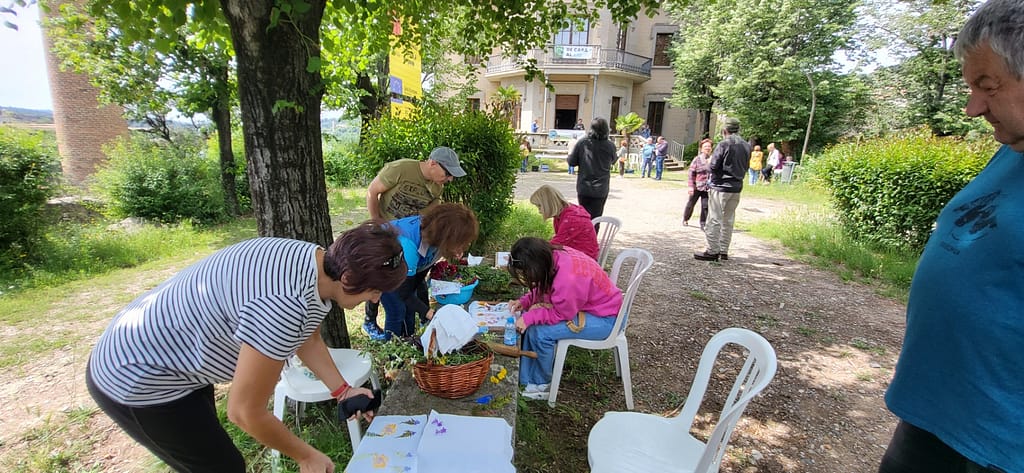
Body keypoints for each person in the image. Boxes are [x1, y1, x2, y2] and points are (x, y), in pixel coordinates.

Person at [86, 223, 407, 473]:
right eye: (375, 290)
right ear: (349, 276)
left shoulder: (318, 262)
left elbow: (307, 338)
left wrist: (342, 391)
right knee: (221, 467)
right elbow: (243, 412)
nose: (377, 299)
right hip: (135, 375)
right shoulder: (282, 307)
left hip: (178, 361)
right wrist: (305, 455)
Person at [879, 2, 1024, 472]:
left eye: (987, 85)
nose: (973, 107)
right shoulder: (1013, 149)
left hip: (999, 446)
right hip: (936, 417)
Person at [362, 146, 467, 340]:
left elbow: (434, 220)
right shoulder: (400, 169)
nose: (450, 179)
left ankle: (408, 336)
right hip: (391, 240)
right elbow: (372, 191)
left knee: (411, 291)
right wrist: (377, 222)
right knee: (391, 296)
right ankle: (373, 324)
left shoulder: (437, 186)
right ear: (433, 163)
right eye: (448, 173)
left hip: (412, 239)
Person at [506, 237, 622, 400]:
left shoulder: (568, 279)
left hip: (607, 319)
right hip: (599, 308)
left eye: (526, 274)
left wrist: (531, 316)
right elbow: (545, 284)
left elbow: (562, 314)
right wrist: (525, 301)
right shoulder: (556, 256)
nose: (527, 278)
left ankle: (542, 384)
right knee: (531, 323)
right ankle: (528, 377)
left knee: (541, 333)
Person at [380, 203, 479, 339]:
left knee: (409, 310)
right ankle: (392, 353)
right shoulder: (409, 247)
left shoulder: (437, 238)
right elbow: (403, 292)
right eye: (460, 243)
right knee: (397, 311)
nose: (462, 249)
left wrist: (423, 310)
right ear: (446, 237)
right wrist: (429, 313)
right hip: (383, 267)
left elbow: (419, 275)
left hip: (404, 270)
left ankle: (409, 343)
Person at [694, 117, 751, 261]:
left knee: (714, 218)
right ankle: (724, 250)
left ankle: (712, 250)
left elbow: (713, 166)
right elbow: (747, 167)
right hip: (736, 187)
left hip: (720, 187)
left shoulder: (724, 144)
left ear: (725, 130)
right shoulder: (746, 145)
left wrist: (707, 163)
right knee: (729, 219)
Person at [529, 184, 599, 260]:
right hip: (576, 252)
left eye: (539, 206)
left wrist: (532, 250)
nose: (539, 210)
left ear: (548, 204)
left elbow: (555, 244)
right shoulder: (563, 212)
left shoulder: (571, 219)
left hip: (585, 258)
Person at [567, 117, 617, 223]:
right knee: (596, 219)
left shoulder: (583, 143)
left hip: (584, 186)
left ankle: (584, 238)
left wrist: (571, 153)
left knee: (583, 218)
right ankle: (593, 238)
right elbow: (613, 161)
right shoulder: (610, 146)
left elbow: (572, 161)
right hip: (601, 188)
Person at [683, 138, 713, 230]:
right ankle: (686, 218)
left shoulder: (714, 159)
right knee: (691, 204)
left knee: (705, 206)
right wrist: (691, 186)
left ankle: (703, 223)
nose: (707, 148)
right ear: (701, 148)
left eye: (709, 146)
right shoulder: (697, 159)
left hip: (707, 187)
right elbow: (691, 173)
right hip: (697, 186)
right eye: (705, 146)